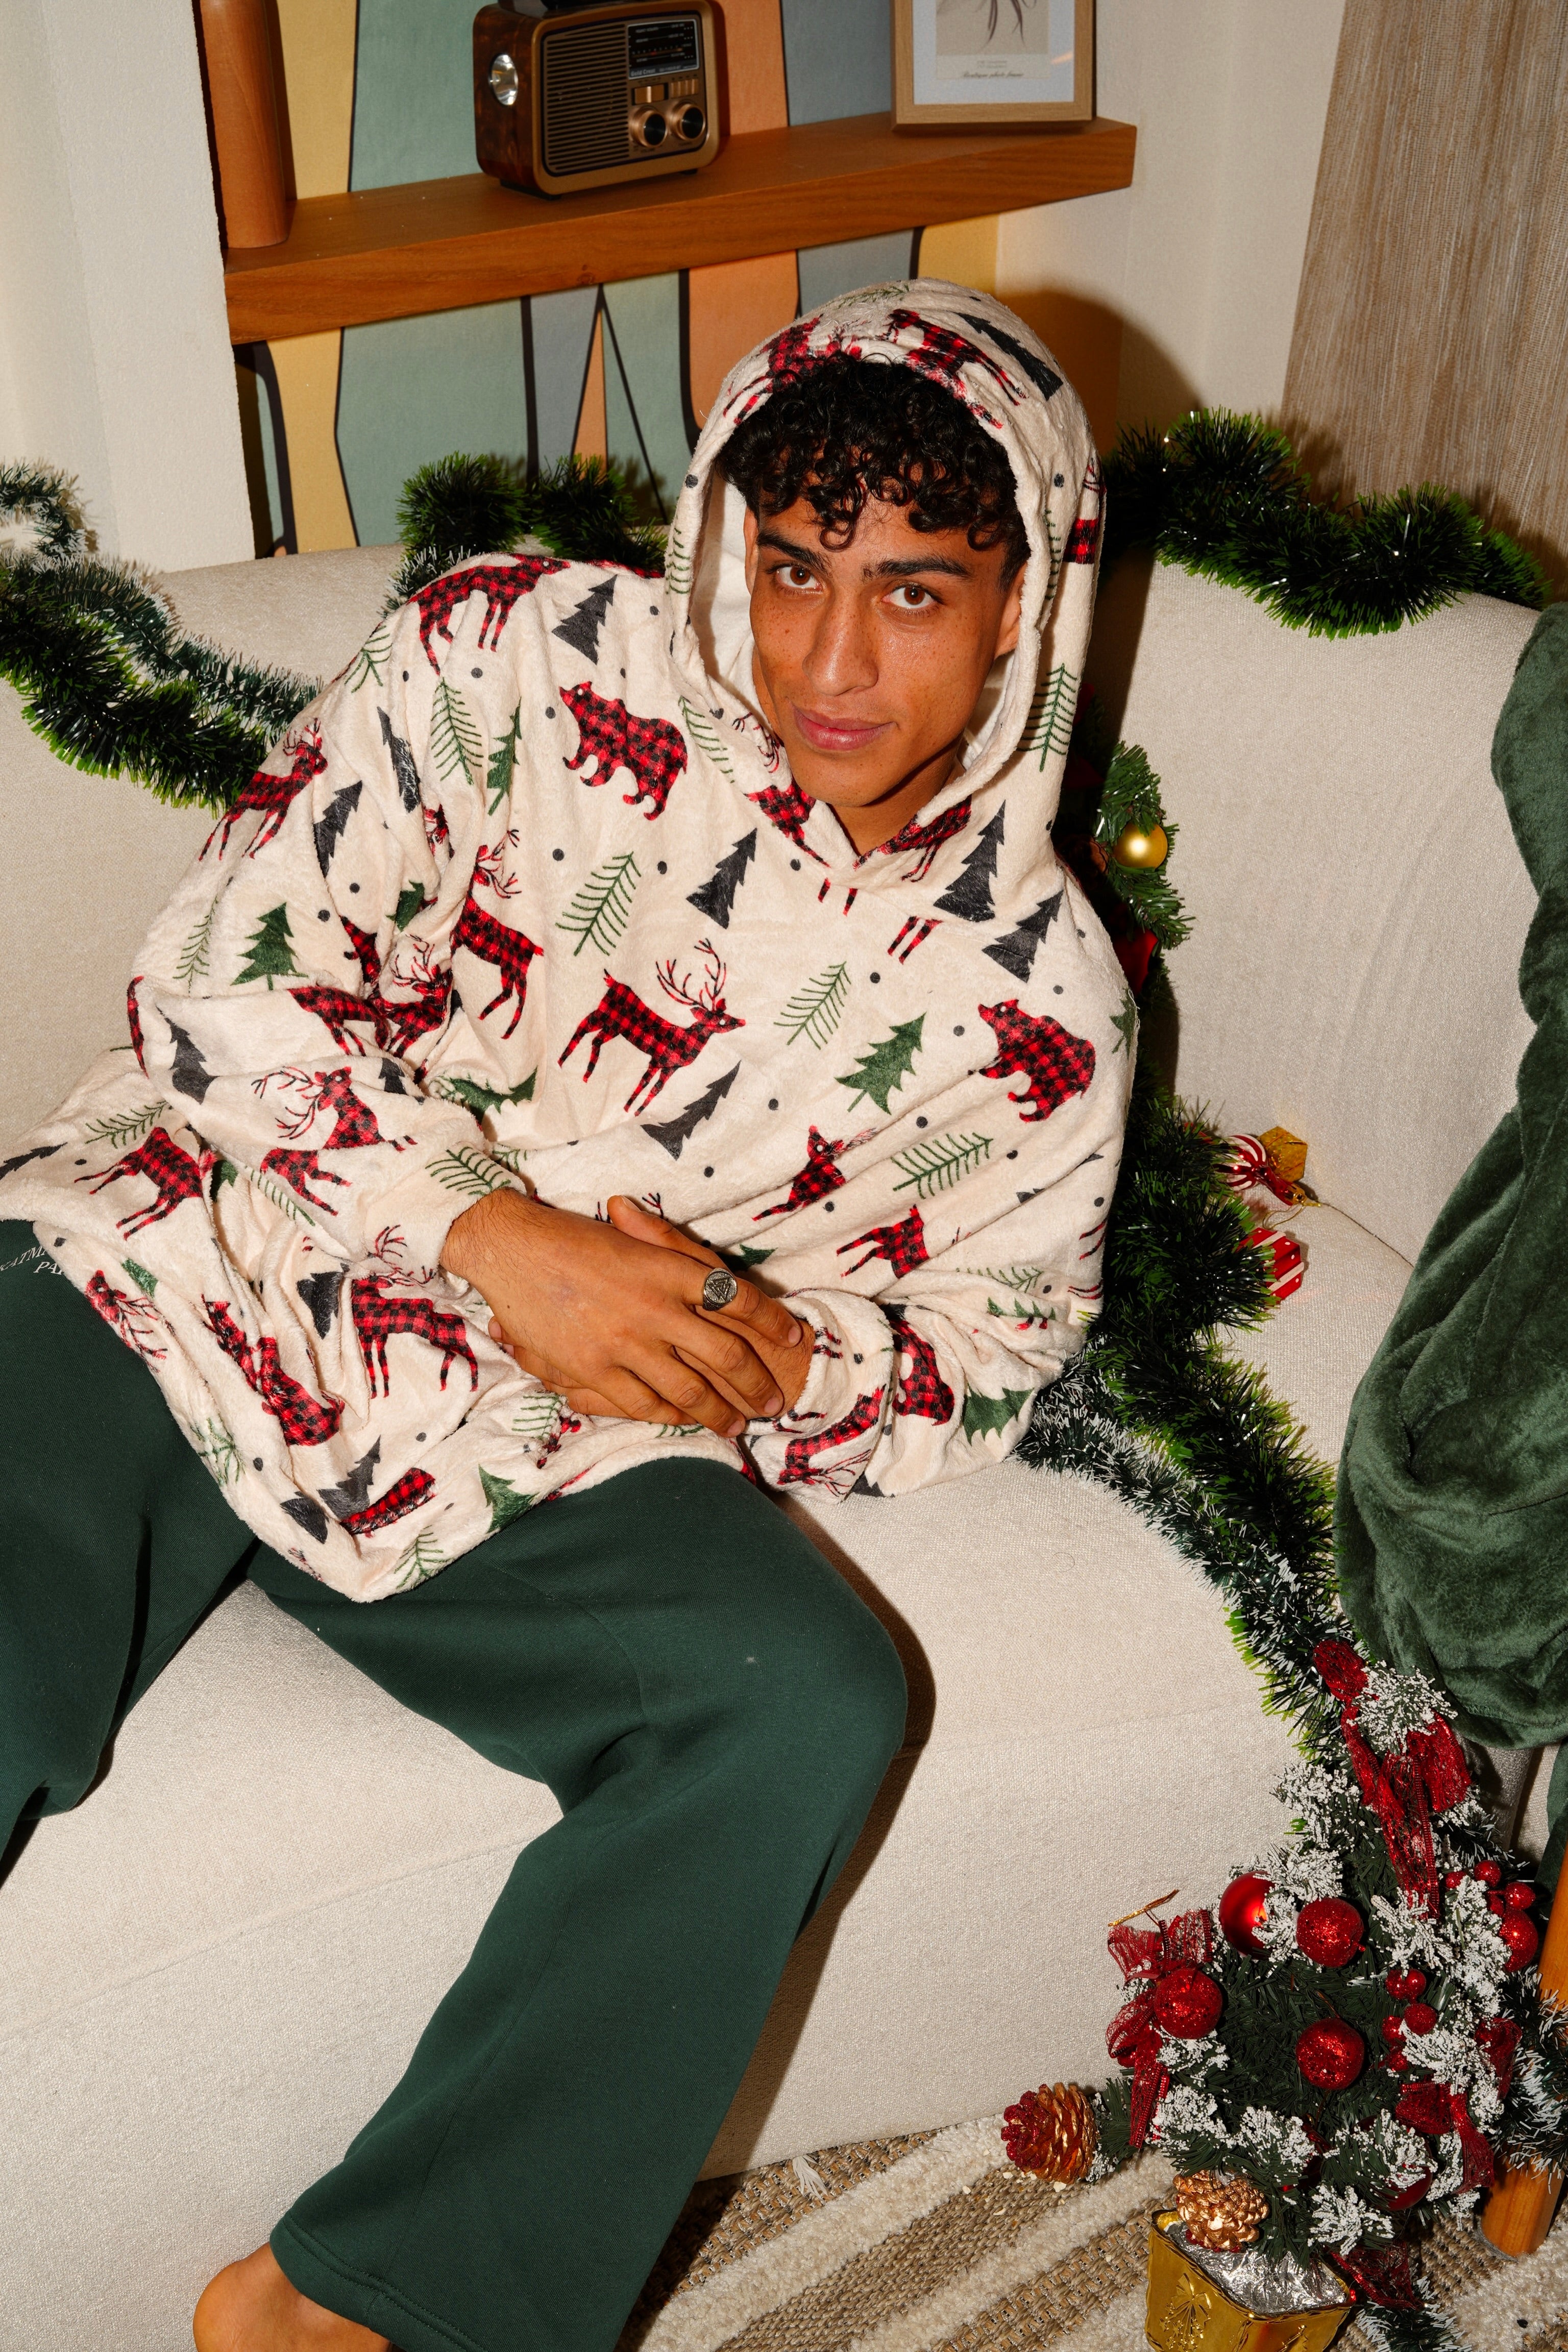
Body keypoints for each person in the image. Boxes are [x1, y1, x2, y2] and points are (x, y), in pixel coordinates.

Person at [0, 281, 1131, 2352]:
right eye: (789, 567)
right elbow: (219, 983)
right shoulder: (511, 655)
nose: (827, 658)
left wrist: (784, 1355)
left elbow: (997, 1338)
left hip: (534, 1431)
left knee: (800, 1699)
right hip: (212, 1237)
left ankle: (372, 2305)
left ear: (1022, 614)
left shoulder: (1039, 1004)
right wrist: (487, 1227)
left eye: (912, 592)